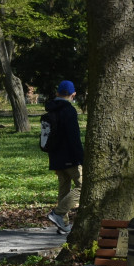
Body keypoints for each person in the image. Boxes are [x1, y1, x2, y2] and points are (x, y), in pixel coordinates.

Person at [44, 80, 84, 234]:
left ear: (57, 93)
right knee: (83, 187)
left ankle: (63, 224)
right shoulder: (69, 110)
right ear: (73, 94)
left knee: (64, 188)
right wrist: (81, 157)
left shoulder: (51, 109)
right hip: (70, 156)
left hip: (55, 156)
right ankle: (58, 214)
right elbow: (73, 137)